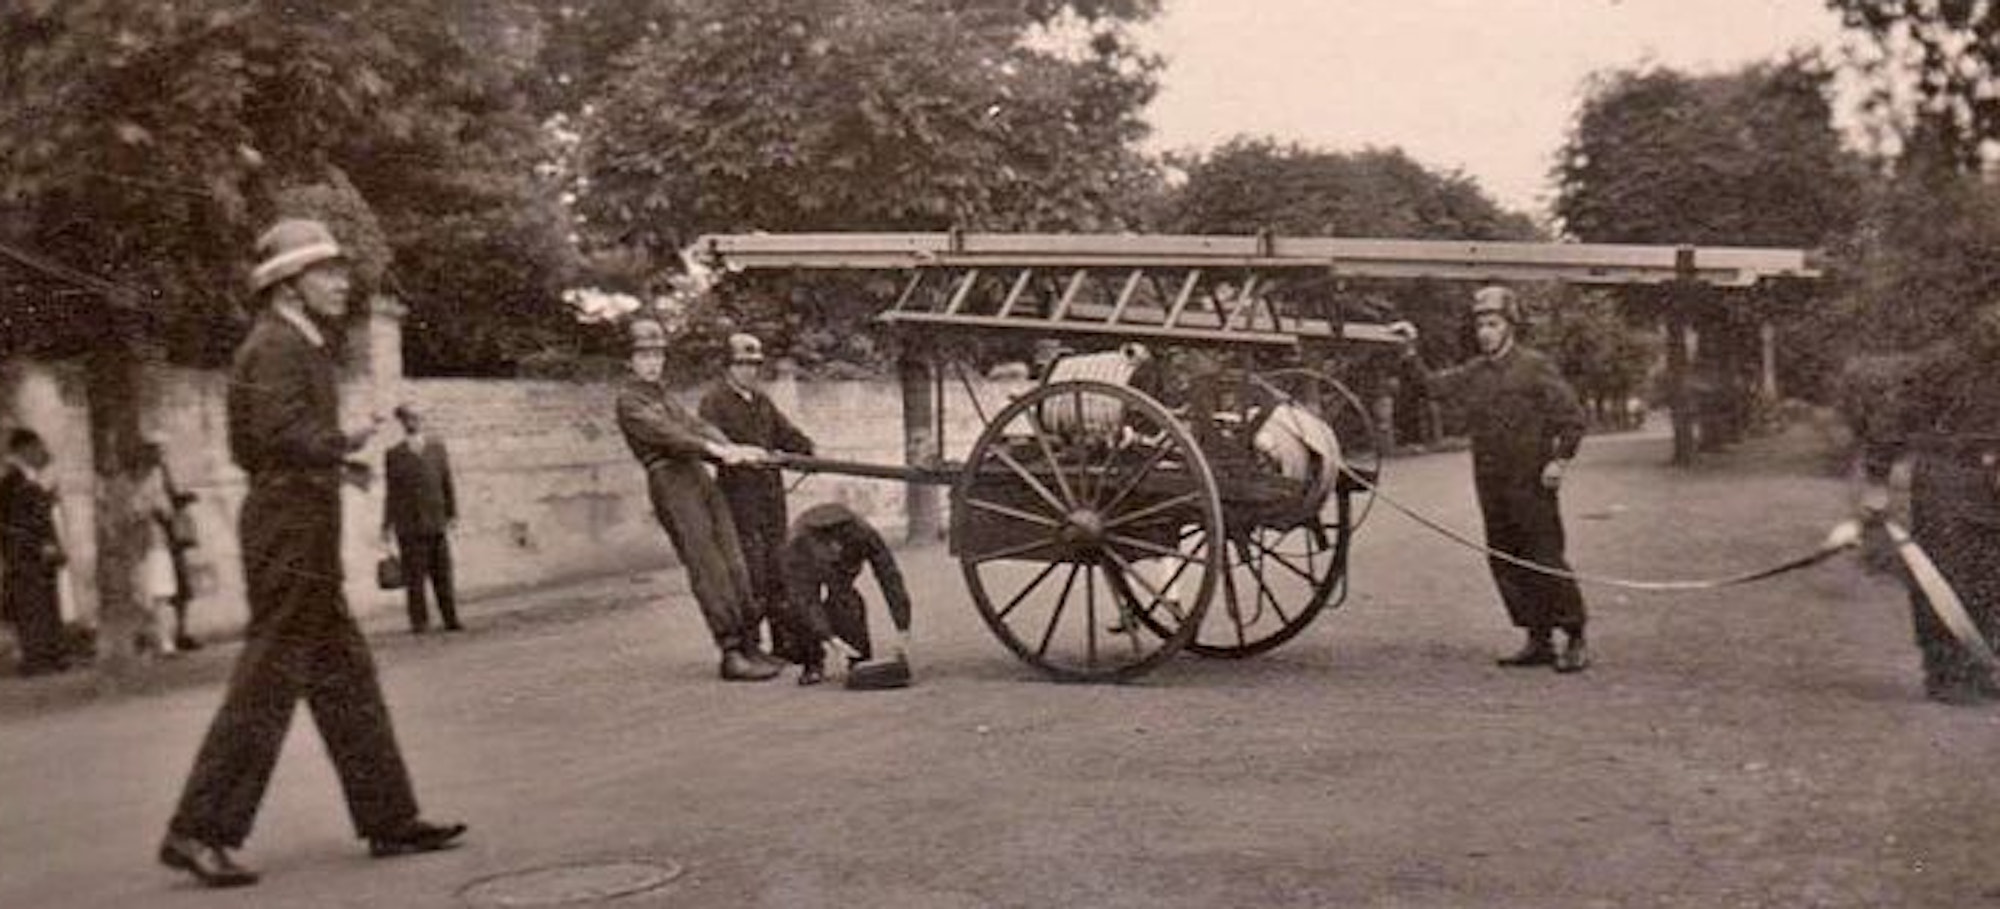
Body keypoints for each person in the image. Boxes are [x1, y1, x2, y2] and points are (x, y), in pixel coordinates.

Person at [160, 218, 464, 889]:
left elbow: (271, 443)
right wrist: (343, 442)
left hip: (300, 520)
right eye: (327, 272)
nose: (342, 281)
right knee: (267, 680)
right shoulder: (274, 345)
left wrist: (332, 461)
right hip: (286, 529)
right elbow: (277, 433)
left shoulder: (298, 343)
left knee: (346, 675)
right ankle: (199, 829)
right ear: (289, 285)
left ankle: (390, 816)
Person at [1397, 285, 1591, 673]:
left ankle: (1574, 636)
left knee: (1543, 555)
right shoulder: (1476, 372)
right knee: (1503, 557)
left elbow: (1572, 417)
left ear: (1510, 326)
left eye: (1493, 323)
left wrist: (1560, 460)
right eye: (1481, 325)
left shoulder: (1534, 366)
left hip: (1531, 480)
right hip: (1490, 480)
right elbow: (1433, 388)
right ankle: (1537, 640)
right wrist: (1409, 352)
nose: (1485, 332)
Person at [615, 317, 784, 682]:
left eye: (657, 354)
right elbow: (668, 435)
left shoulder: (663, 396)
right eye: (644, 355)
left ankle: (750, 644)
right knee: (709, 568)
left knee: (735, 561)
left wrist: (732, 447)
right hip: (670, 480)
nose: (652, 362)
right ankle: (731, 651)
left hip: (696, 474)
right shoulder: (630, 401)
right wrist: (717, 451)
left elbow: (695, 425)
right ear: (629, 360)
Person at [1852, 301, 2000, 705]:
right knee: (1945, 574)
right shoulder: (1944, 362)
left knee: (1989, 579)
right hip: (1948, 476)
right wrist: (1878, 481)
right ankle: (1944, 673)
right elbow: (1894, 416)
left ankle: (1979, 664)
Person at [698, 332, 816, 666]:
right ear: (728, 366)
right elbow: (710, 444)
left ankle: (783, 642)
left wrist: (808, 450)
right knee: (750, 572)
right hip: (738, 496)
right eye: (742, 364)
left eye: (754, 364)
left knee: (779, 566)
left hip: (770, 494)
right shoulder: (714, 401)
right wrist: (735, 456)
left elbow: (786, 433)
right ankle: (751, 645)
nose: (749, 370)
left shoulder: (762, 401)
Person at [781, 503, 913, 686]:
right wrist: (829, 637)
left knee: (847, 601)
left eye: (839, 541)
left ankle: (857, 655)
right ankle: (812, 662)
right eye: (828, 545)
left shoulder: (863, 533)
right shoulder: (797, 546)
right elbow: (805, 600)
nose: (835, 548)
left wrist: (903, 627)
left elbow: (889, 577)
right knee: (794, 609)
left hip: (843, 571)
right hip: (810, 571)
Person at [381, 403, 461, 633]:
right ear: (401, 423)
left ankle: (450, 619)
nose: (411, 422)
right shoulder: (394, 454)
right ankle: (419, 622)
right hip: (409, 524)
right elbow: (392, 492)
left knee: (443, 573)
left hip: (436, 520)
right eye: (407, 419)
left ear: (422, 420)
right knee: (414, 577)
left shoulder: (437, 449)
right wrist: (386, 524)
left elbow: (447, 482)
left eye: (415, 418)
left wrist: (452, 513)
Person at [0, 428, 69, 676]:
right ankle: (36, 659)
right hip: (26, 556)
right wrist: (40, 544)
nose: (43, 452)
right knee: (32, 605)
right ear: (25, 450)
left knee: (47, 602)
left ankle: (52, 654)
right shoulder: (12, 482)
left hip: (39, 553)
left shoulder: (32, 481)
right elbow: (17, 522)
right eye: (38, 447)